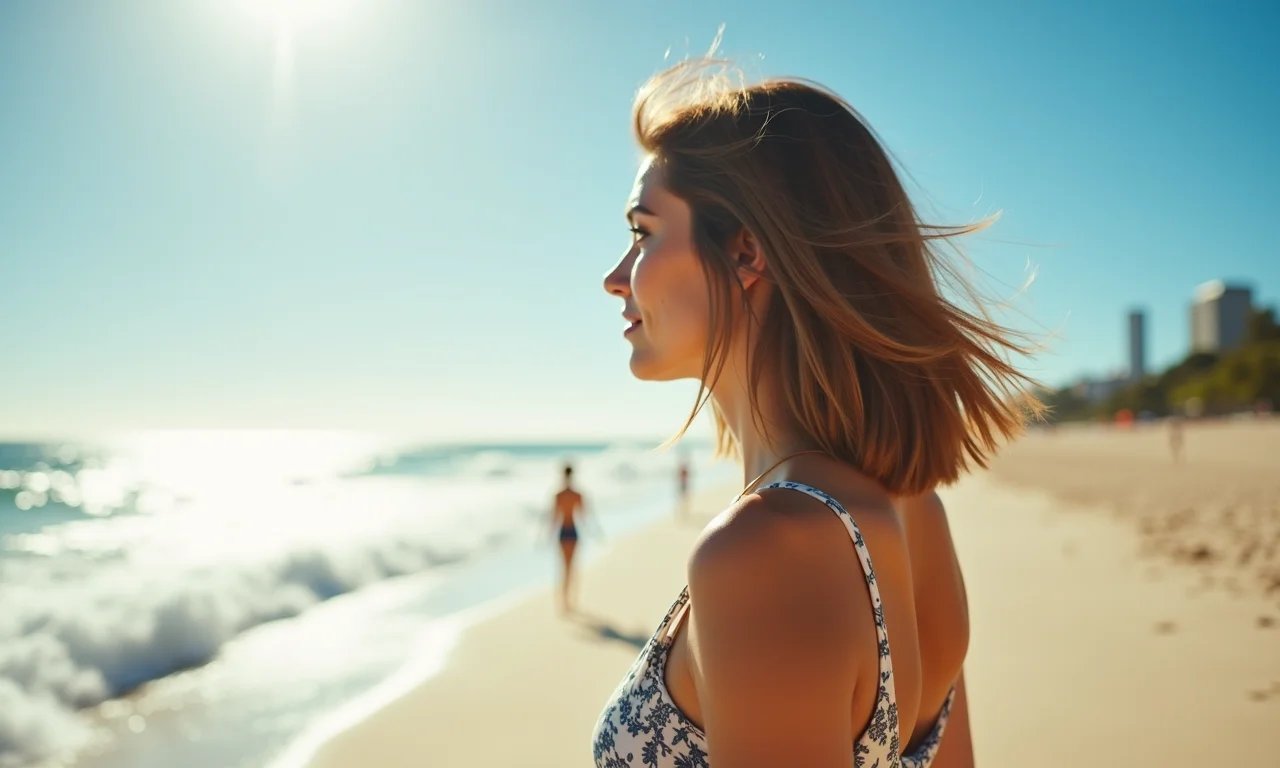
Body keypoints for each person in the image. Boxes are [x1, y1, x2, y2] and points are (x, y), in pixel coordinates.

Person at [593, 59, 1040, 768]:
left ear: (745, 251)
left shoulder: (767, 552)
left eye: (643, 232)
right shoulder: (912, 508)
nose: (615, 276)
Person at [551, 462, 587, 614]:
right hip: (573, 531)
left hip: (563, 532)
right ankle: (572, 600)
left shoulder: (558, 495)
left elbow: (553, 518)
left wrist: (546, 536)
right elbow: (583, 515)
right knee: (572, 566)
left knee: (564, 567)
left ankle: (564, 601)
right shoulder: (577, 494)